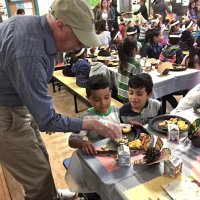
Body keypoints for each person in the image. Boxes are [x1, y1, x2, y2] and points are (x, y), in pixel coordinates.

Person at [0, 1, 122, 200]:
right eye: (80, 39)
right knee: (36, 176)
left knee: (41, 156)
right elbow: (46, 120)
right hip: (4, 111)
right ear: (60, 25)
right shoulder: (29, 51)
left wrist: (43, 112)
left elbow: (35, 84)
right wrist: (91, 123)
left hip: (16, 99)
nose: (82, 46)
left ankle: (52, 195)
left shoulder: (35, 28)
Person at [69, 75, 120, 155]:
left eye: (106, 97)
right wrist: (82, 143)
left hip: (117, 153)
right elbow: (72, 140)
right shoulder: (86, 118)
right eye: (97, 100)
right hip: (98, 154)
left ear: (111, 93)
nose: (103, 103)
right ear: (88, 98)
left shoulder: (116, 111)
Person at [117, 37, 142, 103]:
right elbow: (139, 83)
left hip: (121, 93)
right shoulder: (136, 65)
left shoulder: (121, 61)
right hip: (130, 96)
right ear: (134, 49)